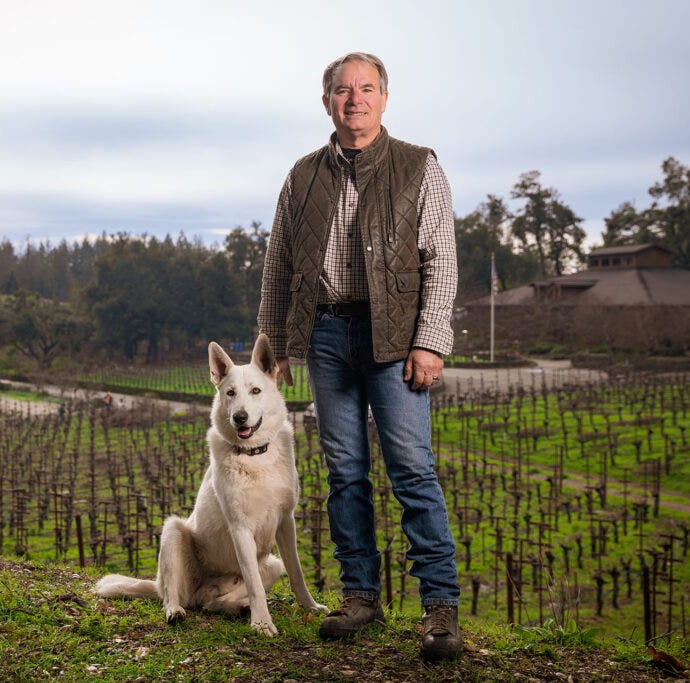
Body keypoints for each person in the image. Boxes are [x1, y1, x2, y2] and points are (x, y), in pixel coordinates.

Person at [258, 52, 462, 661]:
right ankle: (360, 596)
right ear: (327, 102)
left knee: (413, 470)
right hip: (326, 335)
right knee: (345, 473)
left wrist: (430, 340)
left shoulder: (419, 166)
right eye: (343, 90)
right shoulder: (301, 176)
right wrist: (274, 348)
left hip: (396, 338)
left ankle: (440, 610)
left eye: (366, 88)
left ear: (384, 98)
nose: (355, 100)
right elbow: (277, 266)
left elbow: (442, 262)